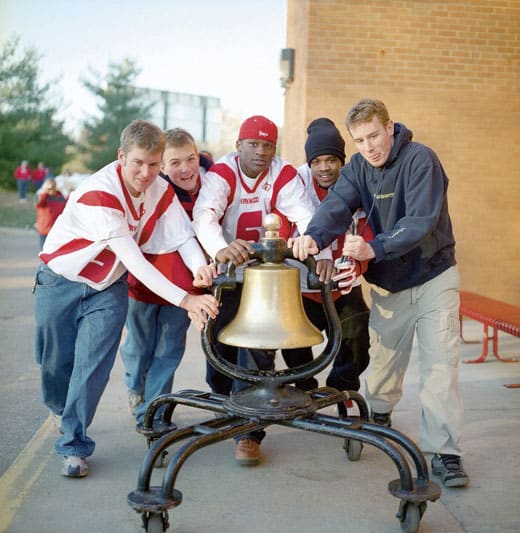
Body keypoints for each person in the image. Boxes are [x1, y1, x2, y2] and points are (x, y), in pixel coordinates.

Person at [290, 98, 469, 488]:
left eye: (374, 135)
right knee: (385, 366)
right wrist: (312, 237)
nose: (369, 146)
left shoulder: (421, 160)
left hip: (434, 276)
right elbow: (337, 206)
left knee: (440, 367)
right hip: (389, 285)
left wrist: (375, 248)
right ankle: (380, 413)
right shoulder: (356, 168)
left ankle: (446, 453)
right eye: (360, 140)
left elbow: (420, 220)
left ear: (389, 127)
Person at [34, 120, 219, 479]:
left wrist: (199, 268)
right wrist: (187, 301)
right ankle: (60, 408)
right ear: (121, 157)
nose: (146, 173)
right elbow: (135, 259)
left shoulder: (159, 189)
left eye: (153, 164)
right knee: (54, 361)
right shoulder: (99, 194)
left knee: (92, 366)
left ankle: (73, 444)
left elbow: (182, 236)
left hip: (108, 287)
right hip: (61, 281)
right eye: (138, 163)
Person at [192, 115, 331, 466]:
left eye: (268, 145)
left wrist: (320, 251)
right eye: (254, 144)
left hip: (266, 278)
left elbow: (307, 216)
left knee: (259, 350)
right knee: (219, 351)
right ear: (239, 146)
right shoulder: (223, 173)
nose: (261, 152)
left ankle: (249, 431)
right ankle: (228, 409)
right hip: (229, 274)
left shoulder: (282, 175)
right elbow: (204, 215)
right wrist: (219, 247)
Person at [120, 128, 210, 422]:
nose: (184, 169)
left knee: (168, 350)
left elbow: (189, 239)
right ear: (161, 165)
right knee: (139, 345)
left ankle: (154, 415)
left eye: (190, 159)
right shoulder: (152, 188)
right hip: (144, 281)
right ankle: (136, 385)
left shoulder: (211, 186)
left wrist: (201, 271)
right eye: (173, 163)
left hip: (184, 286)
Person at [281, 118, 371, 394]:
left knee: (357, 340)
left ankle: (339, 391)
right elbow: (284, 227)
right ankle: (305, 388)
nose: (324, 167)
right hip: (303, 283)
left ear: (341, 160)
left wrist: (354, 266)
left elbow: (367, 231)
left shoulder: (356, 179)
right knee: (291, 338)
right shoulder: (296, 181)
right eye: (317, 160)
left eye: (331, 160)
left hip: (343, 283)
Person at [34, 177, 67, 249]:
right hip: (45, 230)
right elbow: (38, 204)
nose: (52, 188)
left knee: (56, 253)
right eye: (50, 186)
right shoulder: (43, 196)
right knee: (45, 252)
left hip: (57, 231)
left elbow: (66, 208)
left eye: (53, 186)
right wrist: (46, 192)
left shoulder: (60, 196)